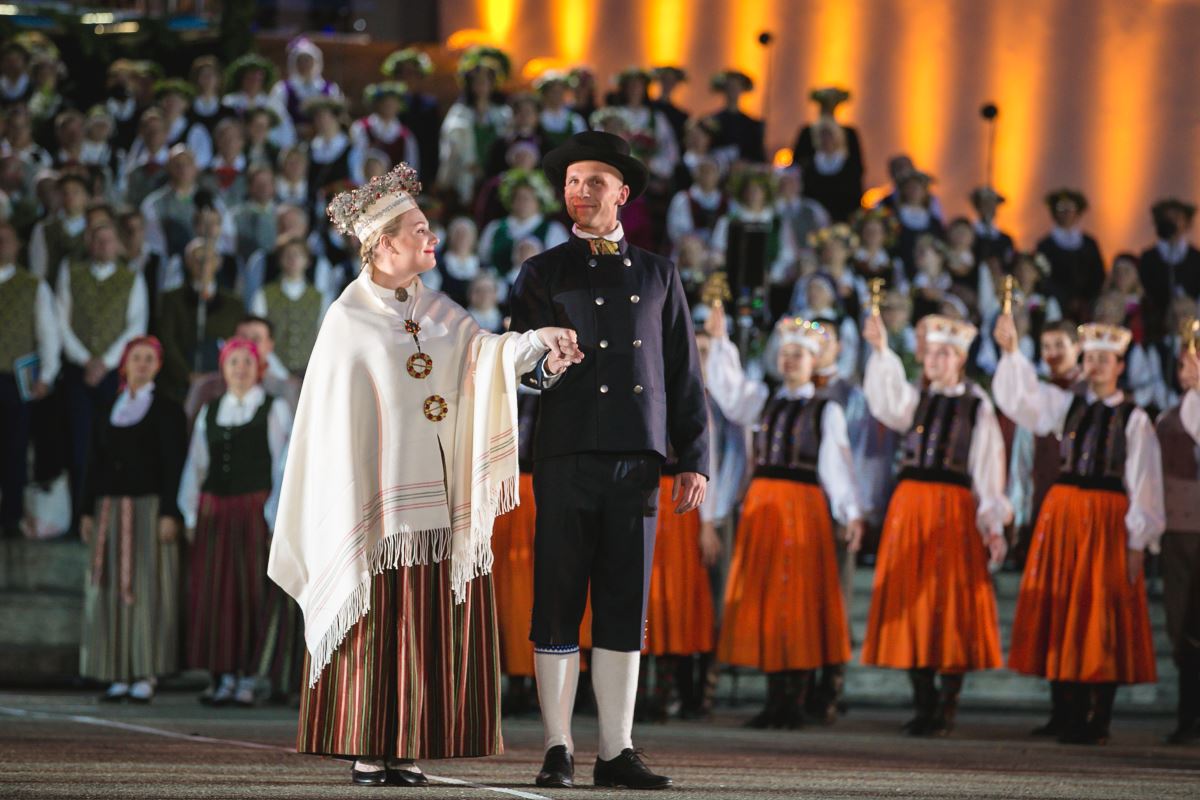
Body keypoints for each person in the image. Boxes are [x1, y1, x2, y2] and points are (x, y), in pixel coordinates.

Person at [267, 163, 582, 786]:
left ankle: (407, 744)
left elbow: (486, 354)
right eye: (418, 230)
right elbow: (331, 426)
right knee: (376, 623)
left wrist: (539, 343)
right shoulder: (347, 320)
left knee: (422, 623)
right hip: (373, 509)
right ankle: (366, 746)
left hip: (435, 504)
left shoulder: (441, 311)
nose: (431, 237)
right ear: (384, 244)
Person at [510, 131, 709, 790]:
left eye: (594, 181)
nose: (579, 192)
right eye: (571, 181)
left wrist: (694, 457)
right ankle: (558, 747)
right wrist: (544, 366)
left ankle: (617, 750)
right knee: (557, 598)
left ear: (622, 193)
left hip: (637, 458)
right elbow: (517, 365)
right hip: (564, 453)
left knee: (625, 604)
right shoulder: (541, 272)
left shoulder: (659, 273)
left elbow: (682, 372)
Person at [993, 316, 1163, 745]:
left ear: (1119, 365)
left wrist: (1138, 541)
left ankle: (1098, 716)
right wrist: (1012, 353)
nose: (1096, 366)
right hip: (1065, 516)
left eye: (1105, 359)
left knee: (1100, 612)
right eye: (1090, 358)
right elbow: (1020, 401)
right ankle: (1065, 711)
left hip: (1107, 521)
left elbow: (1144, 482)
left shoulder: (1134, 418)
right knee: (1063, 607)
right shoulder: (1065, 405)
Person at [707, 309, 862, 728]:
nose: (790, 360)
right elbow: (728, 390)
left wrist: (848, 513)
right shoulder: (763, 400)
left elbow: (836, 466)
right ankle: (775, 698)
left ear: (814, 361)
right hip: (765, 509)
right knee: (767, 600)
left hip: (802, 508)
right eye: (786, 353)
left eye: (799, 354)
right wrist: (721, 342)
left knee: (798, 599)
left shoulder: (825, 410)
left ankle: (796, 697)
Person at [860, 312, 1010, 736]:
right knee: (914, 601)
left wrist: (992, 523)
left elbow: (988, 469)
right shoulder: (916, 400)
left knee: (948, 603)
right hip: (911, 508)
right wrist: (881, 350)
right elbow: (886, 401)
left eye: (944, 353)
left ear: (960, 358)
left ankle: (946, 706)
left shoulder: (977, 407)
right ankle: (923, 701)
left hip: (952, 511)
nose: (934, 360)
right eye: (930, 353)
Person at [179, 337, 292, 707]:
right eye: (233, 362)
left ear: (258, 368)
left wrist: (274, 517)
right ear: (223, 369)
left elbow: (283, 466)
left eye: (247, 362)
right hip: (215, 511)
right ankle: (222, 674)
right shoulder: (211, 411)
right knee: (216, 593)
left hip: (253, 509)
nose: (240, 369)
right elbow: (196, 465)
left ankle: (249, 676)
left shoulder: (273, 408)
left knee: (249, 592)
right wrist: (191, 513)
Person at [79, 337, 187, 703]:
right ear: (124, 364)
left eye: (149, 359)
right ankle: (117, 671)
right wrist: (87, 510)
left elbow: (174, 465)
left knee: (148, 589)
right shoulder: (108, 407)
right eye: (136, 358)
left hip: (148, 510)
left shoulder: (167, 410)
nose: (142, 364)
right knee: (110, 589)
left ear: (158, 366)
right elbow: (92, 462)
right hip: (109, 510)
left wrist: (170, 511)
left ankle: (146, 670)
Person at [0, 221, 60, 538]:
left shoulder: (32, 285)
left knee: (14, 449)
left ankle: (11, 515)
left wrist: (47, 374)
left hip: (15, 379)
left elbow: (47, 332)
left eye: (6, 240)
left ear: (18, 246)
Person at [1158, 345, 1200, 744]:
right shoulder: (1167, 419)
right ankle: (1188, 714)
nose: (1184, 368)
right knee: (1181, 622)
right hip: (1179, 531)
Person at [1036, 188, 1105, 325]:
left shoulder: (1089, 243)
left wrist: (1084, 299)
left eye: (1070, 208)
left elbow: (1098, 274)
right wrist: (1065, 298)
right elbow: (1043, 277)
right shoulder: (1045, 245)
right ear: (1054, 213)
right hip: (1056, 305)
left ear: (1078, 212)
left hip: (1087, 307)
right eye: (1061, 209)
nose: (1066, 213)